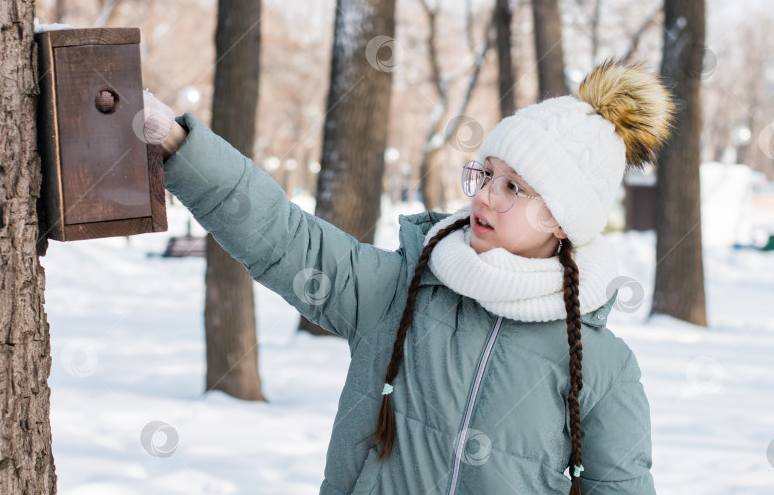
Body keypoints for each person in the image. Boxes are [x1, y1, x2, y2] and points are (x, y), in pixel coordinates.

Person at [141, 58, 672, 494]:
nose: (484, 194)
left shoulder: (603, 367)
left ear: (561, 219)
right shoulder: (399, 292)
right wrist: (179, 147)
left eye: (514, 187)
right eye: (487, 173)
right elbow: (286, 239)